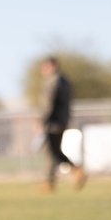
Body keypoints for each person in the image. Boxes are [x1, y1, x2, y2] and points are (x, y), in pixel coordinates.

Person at [38, 56, 85, 193]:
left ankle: (51, 182)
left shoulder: (52, 81)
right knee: (56, 151)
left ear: (51, 66)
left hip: (52, 122)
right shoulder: (65, 81)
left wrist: (42, 121)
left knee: (51, 153)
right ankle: (57, 178)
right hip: (63, 120)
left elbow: (48, 104)